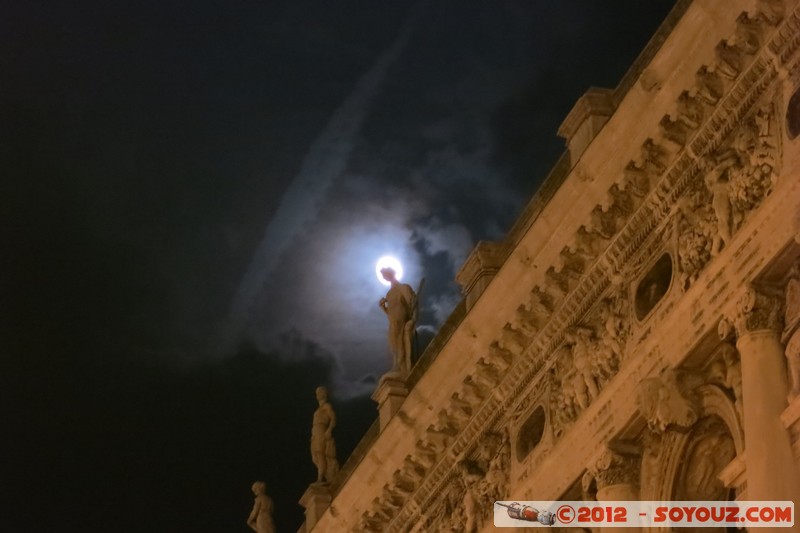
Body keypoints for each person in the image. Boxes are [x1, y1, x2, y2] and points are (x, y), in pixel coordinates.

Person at [378, 267, 417, 374]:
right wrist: (383, 308)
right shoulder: (389, 294)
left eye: (385, 274)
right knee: (394, 345)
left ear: (392, 273)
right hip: (393, 323)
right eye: (383, 276)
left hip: (401, 321)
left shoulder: (404, 288)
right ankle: (398, 367)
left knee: (400, 344)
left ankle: (401, 369)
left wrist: (413, 321)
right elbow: (391, 313)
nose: (384, 277)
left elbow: (413, 305)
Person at [310, 386, 338, 483]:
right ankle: (326, 475)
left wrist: (329, 430)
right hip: (315, 433)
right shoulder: (320, 408)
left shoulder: (326, 406)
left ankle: (320, 478)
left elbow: (333, 418)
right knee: (315, 458)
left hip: (321, 430)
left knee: (320, 454)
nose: (317, 394)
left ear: (324, 393)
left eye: (320, 392)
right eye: (317, 393)